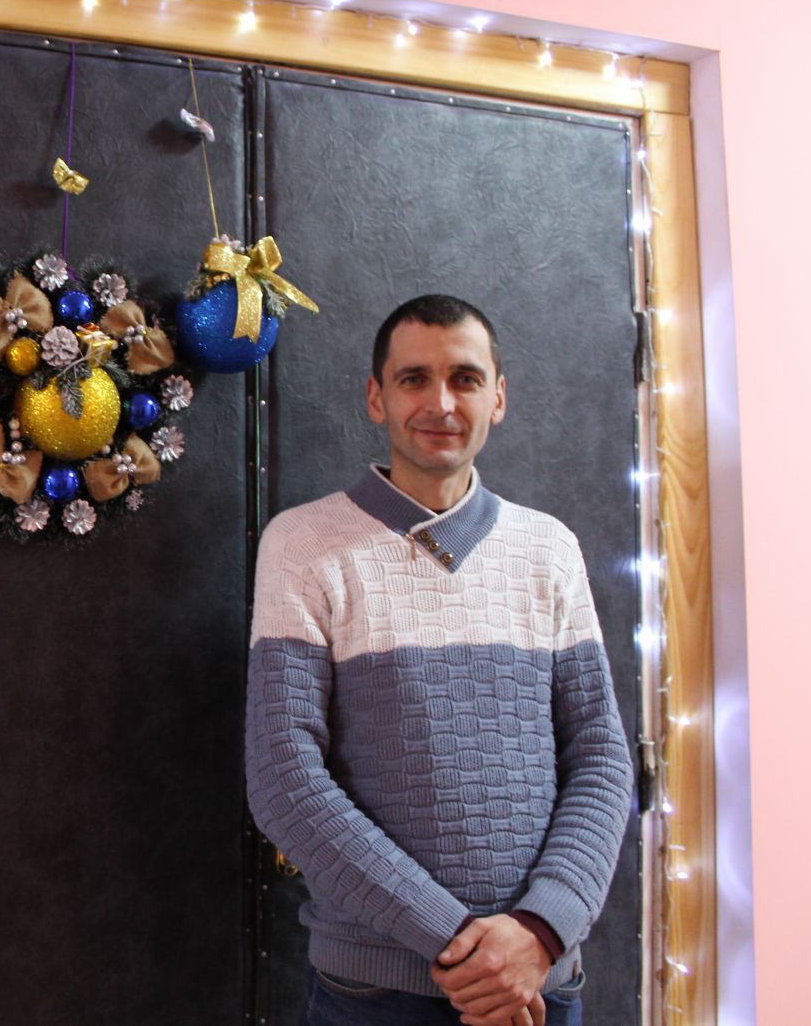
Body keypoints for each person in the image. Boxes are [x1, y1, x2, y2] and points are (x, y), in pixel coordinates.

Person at [245, 295, 633, 1026]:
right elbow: (283, 780)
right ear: (376, 397)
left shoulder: (548, 549)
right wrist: (467, 949)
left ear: (498, 398)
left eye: (465, 378)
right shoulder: (303, 545)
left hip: (541, 983)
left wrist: (538, 932)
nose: (441, 403)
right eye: (414, 378)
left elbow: (602, 759)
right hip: (374, 996)